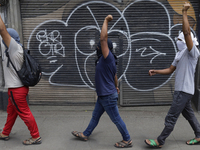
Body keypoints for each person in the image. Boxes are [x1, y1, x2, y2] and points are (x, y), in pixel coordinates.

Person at [72, 15, 132, 148]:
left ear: (104, 48)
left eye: (99, 46)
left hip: (107, 96)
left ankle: (127, 139)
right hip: (104, 94)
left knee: (116, 119)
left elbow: (103, 38)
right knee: (95, 116)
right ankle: (86, 134)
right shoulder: (105, 60)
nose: (97, 48)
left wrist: (105, 21)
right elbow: (115, 76)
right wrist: (116, 87)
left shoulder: (107, 57)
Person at [145, 2, 200, 148]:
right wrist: (156, 71)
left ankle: (160, 141)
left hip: (183, 91)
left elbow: (187, 33)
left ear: (189, 41)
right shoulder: (180, 54)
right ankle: (199, 135)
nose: (179, 41)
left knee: (171, 117)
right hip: (182, 91)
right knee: (188, 114)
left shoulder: (192, 52)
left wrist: (184, 12)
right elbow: (170, 69)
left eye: (181, 39)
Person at [0, 16, 42, 145]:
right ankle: (5, 133)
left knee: (24, 113)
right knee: (12, 112)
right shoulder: (12, 49)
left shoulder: (14, 49)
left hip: (16, 90)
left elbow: (2, 29)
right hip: (17, 88)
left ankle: (36, 136)